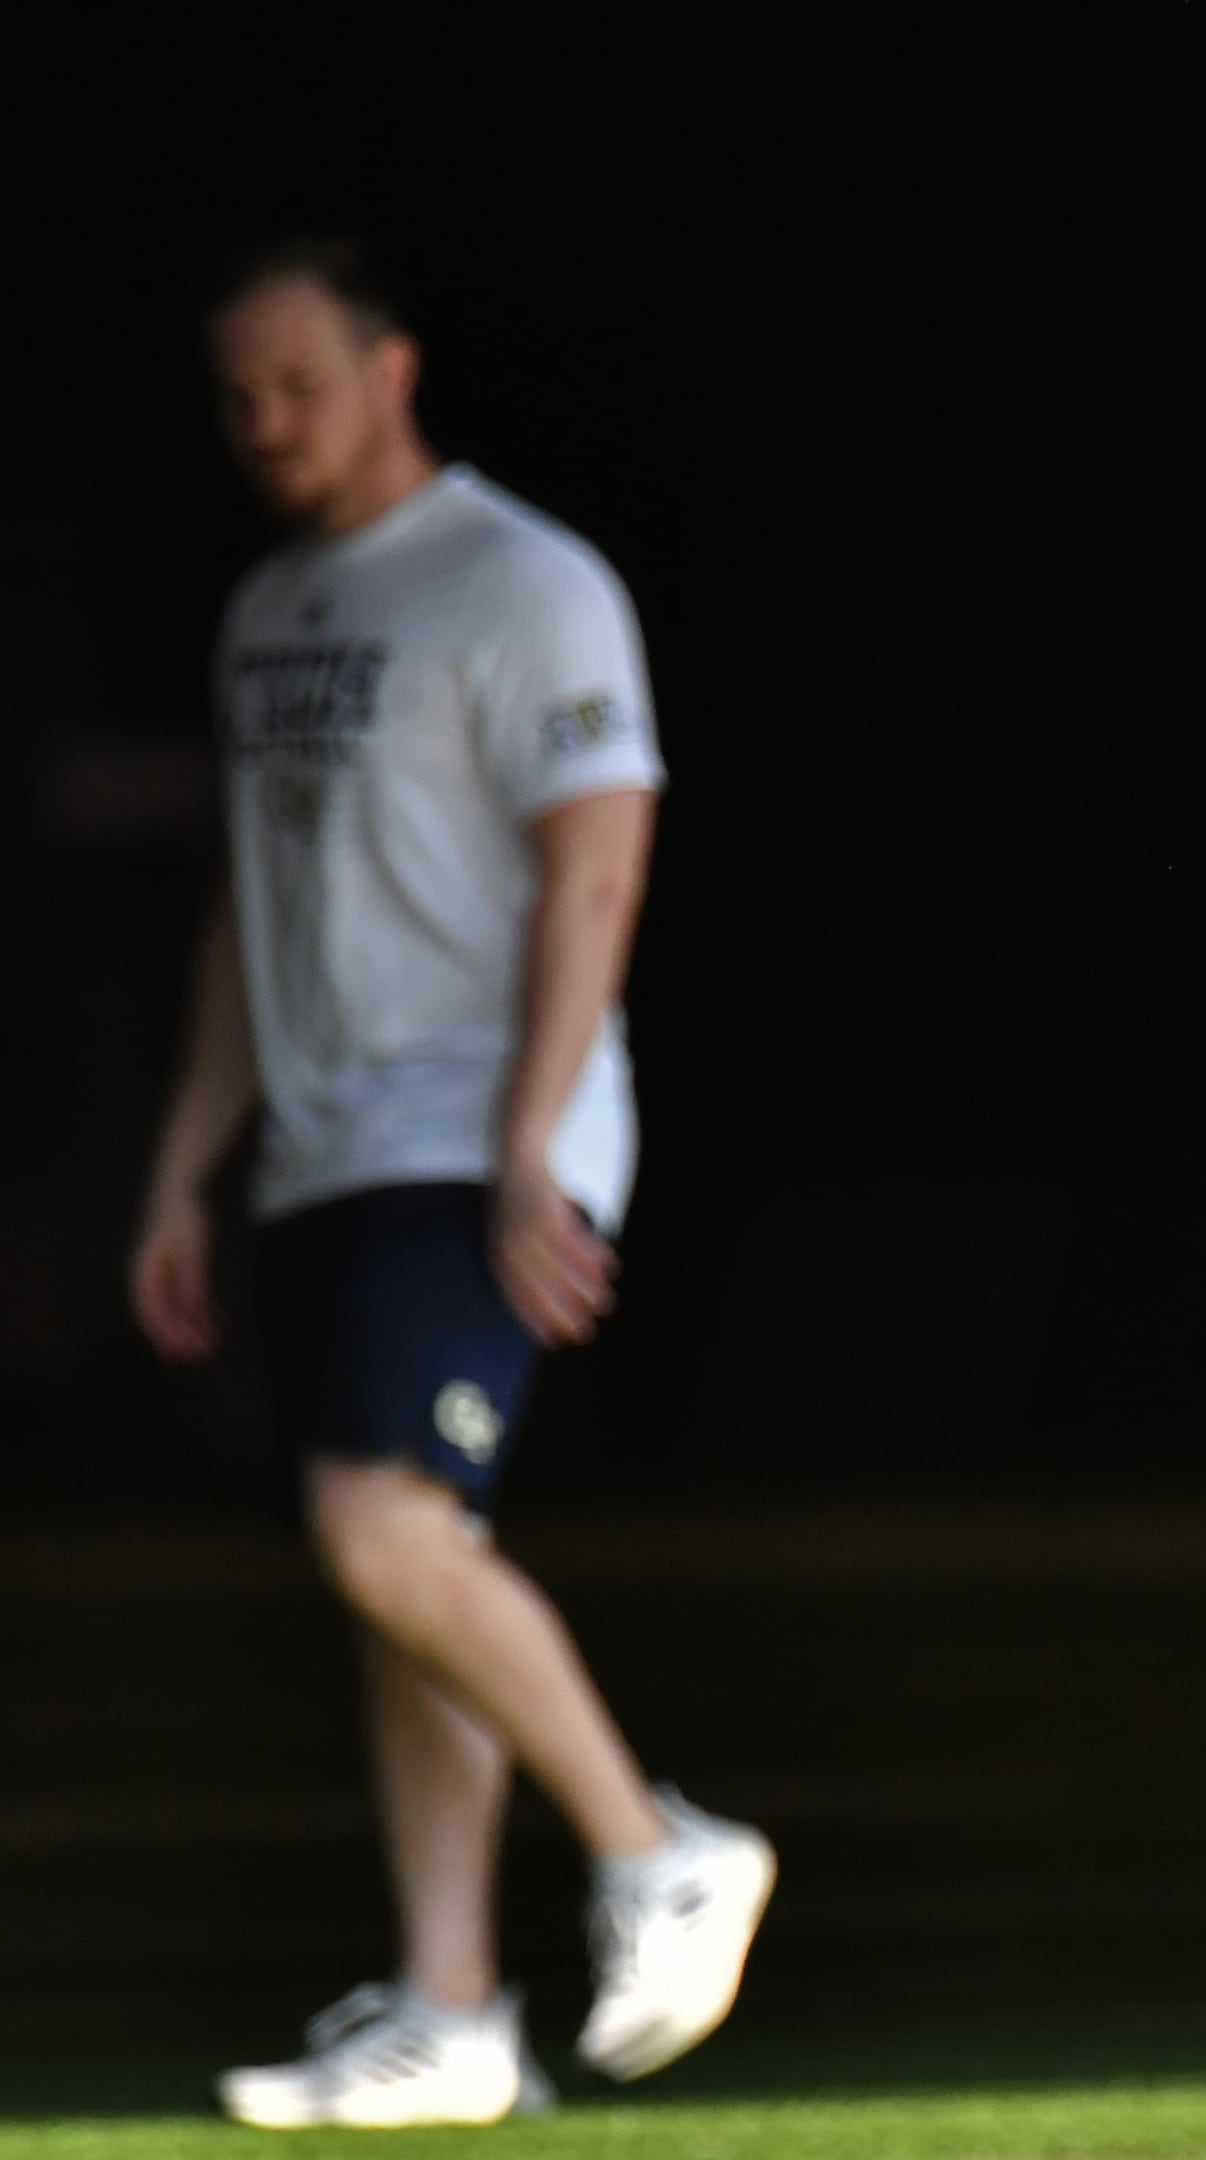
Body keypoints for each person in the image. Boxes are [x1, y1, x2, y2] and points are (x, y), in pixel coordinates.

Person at [131, 238, 774, 2131]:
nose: (267, 426)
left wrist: (526, 1146)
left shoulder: (523, 578)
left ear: (391, 368)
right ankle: (454, 2010)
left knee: (382, 1533)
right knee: (406, 1577)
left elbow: (599, 864)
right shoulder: (267, 610)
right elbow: (253, 916)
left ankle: (656, 1845)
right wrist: (185, 1167)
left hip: (477, 1130)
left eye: (299, 387)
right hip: (328, 1147)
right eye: (237, 399)